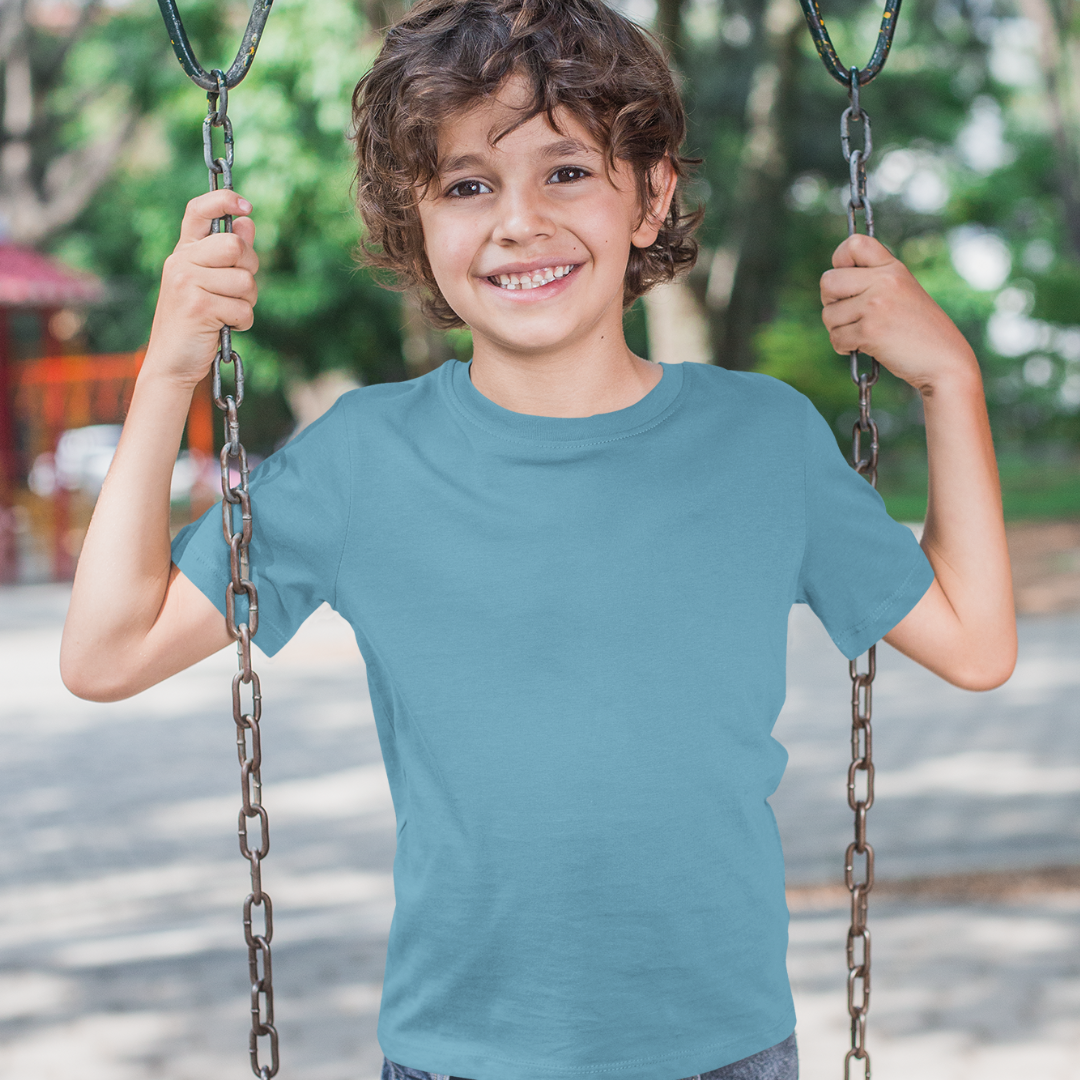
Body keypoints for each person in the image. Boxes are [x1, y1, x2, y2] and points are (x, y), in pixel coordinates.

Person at [60, 1, 1017, 1078]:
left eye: (566, 172)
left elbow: (975, 644)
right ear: (416, 223)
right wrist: (168, 371)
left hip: (723, 1053)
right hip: (461, 1057)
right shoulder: (364, 460)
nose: (517, 221)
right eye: (469, 185)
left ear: (651, 197)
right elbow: (106, 653)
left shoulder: (761, 441)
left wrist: (949, 381)